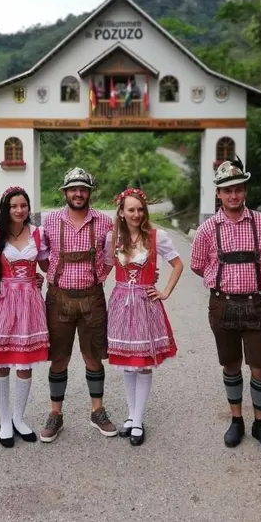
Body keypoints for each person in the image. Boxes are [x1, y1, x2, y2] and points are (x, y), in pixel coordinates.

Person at [190, 157, 261, 453]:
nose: (233, 195)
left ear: (245, 191)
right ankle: (236, 420)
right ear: (218, 193)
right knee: (230, 364)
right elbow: (196, 265)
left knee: (260, 367)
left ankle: (260, 424)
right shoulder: (207, 228)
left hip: (256, 304)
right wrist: (220, 279)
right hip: (222, 304)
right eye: (227, 190)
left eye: (238, 189)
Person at [39, 167, 116, 442]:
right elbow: (43, 257)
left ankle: (97, 411)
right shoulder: (50, 221)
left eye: (83, 189)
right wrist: (56, 277)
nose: (78, 193)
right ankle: (55, 414)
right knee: (59, 358)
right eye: (73, 189)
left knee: (92, 356)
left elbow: (110, 258)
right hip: (58, 298)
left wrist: (97, 278)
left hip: (92, 298)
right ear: (65, 193)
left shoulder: (105, 222)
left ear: (90, 192)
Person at [104, 187, 183, 445]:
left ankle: (137, 420)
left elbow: (178, 264)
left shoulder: (156, 236)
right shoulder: (113, 238)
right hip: (120, 302)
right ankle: (131, 415)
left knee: (144, 362)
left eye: (140, 209)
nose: (136, 214)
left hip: (146, 303)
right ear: (121, 212)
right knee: (128, 361)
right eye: (131, 209)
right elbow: (104, 268)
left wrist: (165, 291)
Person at [0, 187, 49, 448]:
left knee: (24, 362)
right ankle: (5, 420)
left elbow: (48, 264)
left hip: (30, 301)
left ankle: (19, 418)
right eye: (13, 206)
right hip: (3, 300)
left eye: (23, 205)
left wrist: (40, 277)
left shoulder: (38, 233)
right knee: (1, 360)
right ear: (5, 209)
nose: (19, 210)